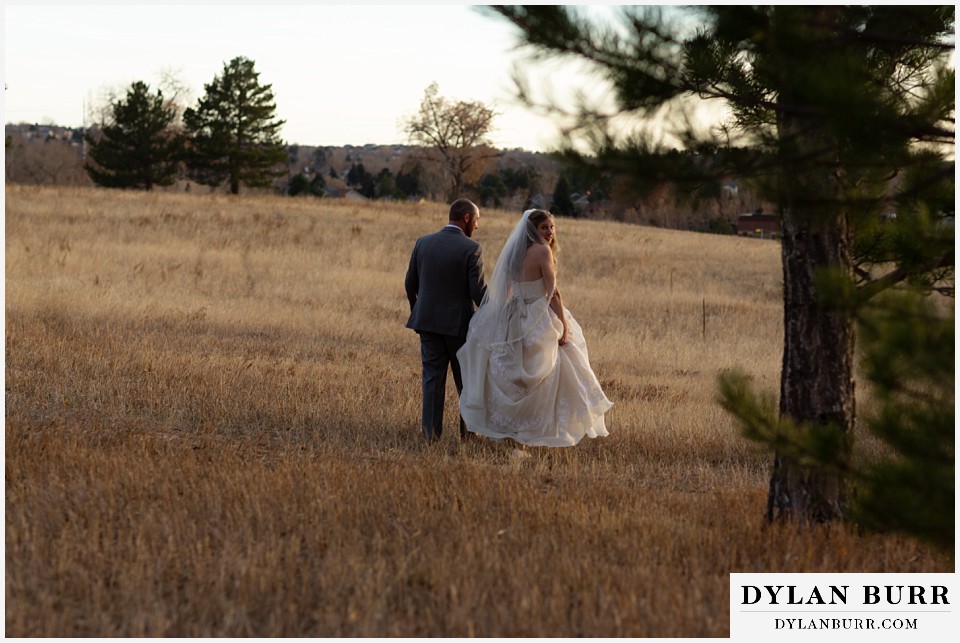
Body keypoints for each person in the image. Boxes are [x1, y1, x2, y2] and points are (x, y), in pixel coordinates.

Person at [457, 209, 612, 447]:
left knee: (515, 373)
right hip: (538, 313)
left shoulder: (515, 253)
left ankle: (516, 427)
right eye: (544, 228)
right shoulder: (542, 252)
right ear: (533, 230)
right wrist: (564, 326)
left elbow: (507, 290)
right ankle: (539, 428)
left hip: (515, 315)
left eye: (552, 227)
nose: (550, 232)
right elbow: (554, 293)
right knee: (554, 368)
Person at [405, 198, 487, 444]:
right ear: (466, 219)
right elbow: (478, 292)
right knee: (467, 382)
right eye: (476, 220)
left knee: (432, 378)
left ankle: (431, 436)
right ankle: (469, 436)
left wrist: (418, 310)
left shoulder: (423, 243)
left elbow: (410, 284)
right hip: (459, 327)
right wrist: (496, 313)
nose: (477, 226)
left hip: (427, 323)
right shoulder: (471, 248)